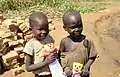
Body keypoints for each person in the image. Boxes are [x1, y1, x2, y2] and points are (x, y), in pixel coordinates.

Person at [59, 10, 97, 77]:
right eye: (73, 27)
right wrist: (65, 68)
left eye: (79, 26)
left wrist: (86, 67)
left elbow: (92, 56)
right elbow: (60, 57)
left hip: (83, 74)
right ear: (65, 28)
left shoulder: (87, 40)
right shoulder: (64, 42)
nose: (77, 29)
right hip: (69, 74)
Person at [23, 12, 57, 77]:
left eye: (46, 28)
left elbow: (53, 50)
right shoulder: (30, 45)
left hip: (53, 72)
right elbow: (28, 68)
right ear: (31, 29)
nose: (44, 32)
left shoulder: (49, 38)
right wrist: (45, 62)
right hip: (40, 75)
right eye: (40, 29)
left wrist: (55, 55)